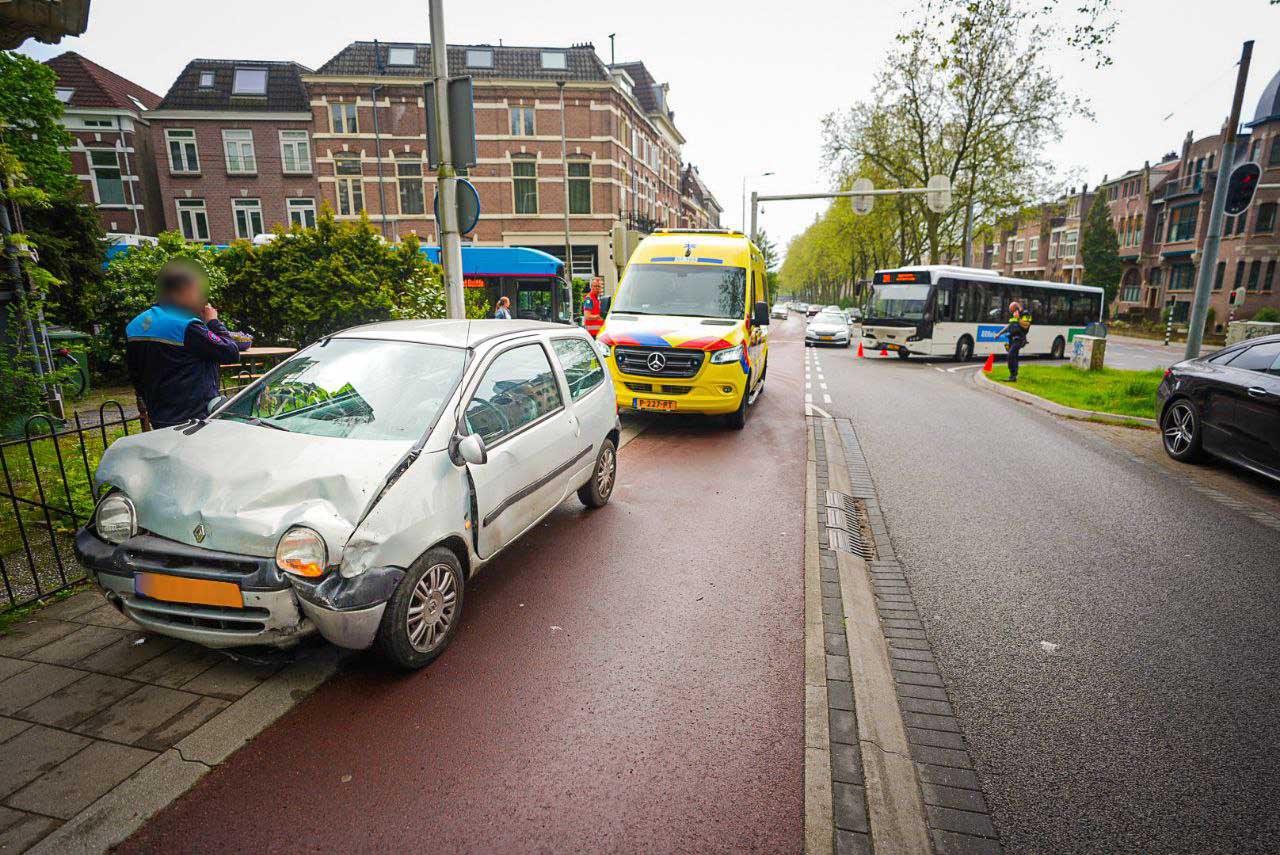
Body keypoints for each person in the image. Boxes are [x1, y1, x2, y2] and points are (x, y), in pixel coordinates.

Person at [126, 261, 243, 428]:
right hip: (193, 419)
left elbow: (135, 375)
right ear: (181, 291)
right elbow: (231, 352)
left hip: (160, 417)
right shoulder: (186, 326)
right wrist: (213, 322)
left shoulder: (135, 325)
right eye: (197, 291)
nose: (202, 298)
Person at [995, 301, 1032, 382]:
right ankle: (1013, 376)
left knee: (1011, 355)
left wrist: (1018, 318)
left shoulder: (1025, 314)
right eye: (1011, 311)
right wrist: (999, 333)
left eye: (1012, 311)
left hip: (1019, 338)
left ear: (1017, 308)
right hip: (1012, 338)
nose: (1012, 313)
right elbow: (1010, 325)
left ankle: (1013, 375)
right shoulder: (1014, 314)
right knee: (1013, 357)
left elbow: (1026, 326)